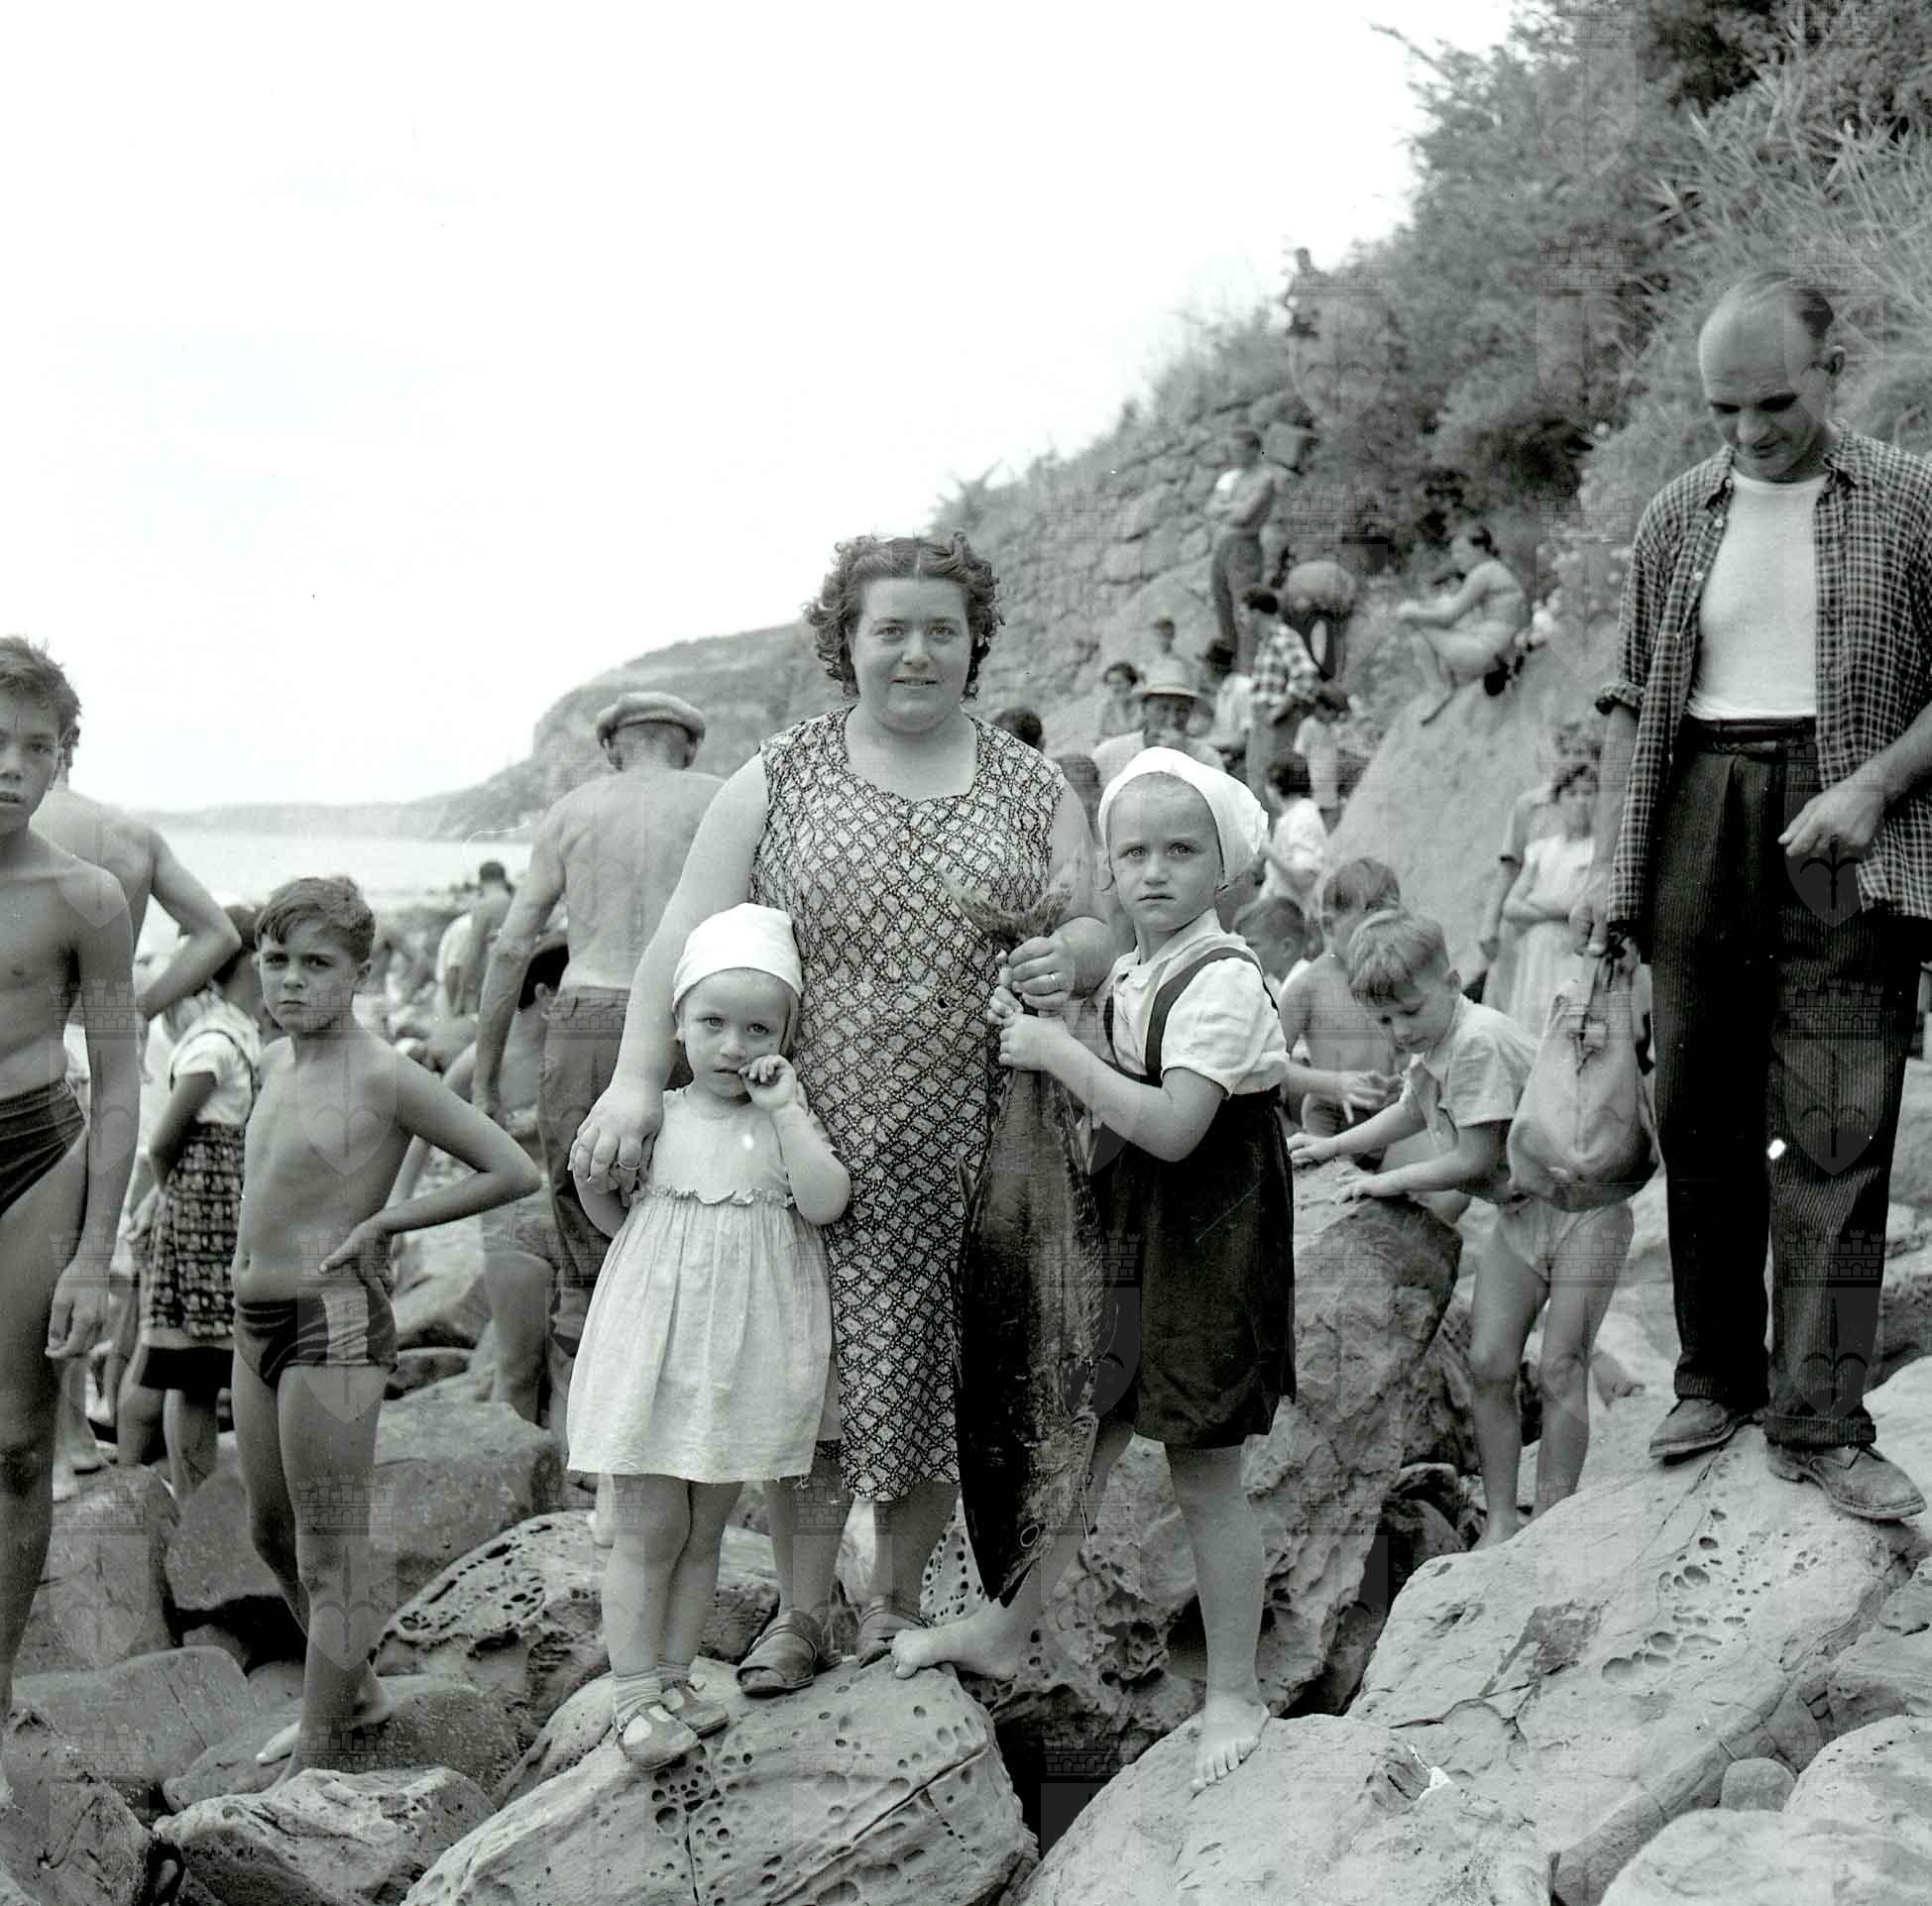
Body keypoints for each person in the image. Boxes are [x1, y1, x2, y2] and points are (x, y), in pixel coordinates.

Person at [571, 532, 1111, 1695]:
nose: (915, 652)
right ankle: (800, 1612)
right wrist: (632, 1079)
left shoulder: (1032, 785)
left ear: (974, 643)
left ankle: (894, 1603)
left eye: (940, 631)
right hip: (800, 1133)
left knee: (938, 1372)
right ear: (846, 641)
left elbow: (1092, 924)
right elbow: (684, 935)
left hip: (982, 1138)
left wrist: (1069, 957)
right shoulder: (781, 773)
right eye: (889, 629)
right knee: (803, 1375)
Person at [1575, 272, 1932, 1522]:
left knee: (1834, 1120)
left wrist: (1875, 787)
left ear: (1832, 369)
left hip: (1839, 820)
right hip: (1698, 809)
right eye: (1722, 409)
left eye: (1773, 402)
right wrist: (1605, 866)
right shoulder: (1676, 512)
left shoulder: (1908, 499)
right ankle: (1713, 1378)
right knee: (1701, 1109)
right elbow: (1630, 695)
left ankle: (1821, 1419)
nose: (1748, 431)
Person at [893, 748, 1293, 1794]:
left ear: (1225, 866)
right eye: (1133, 853)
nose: (1154, 871)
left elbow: (1172, 1128)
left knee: (1204, 1475)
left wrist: (1056, 1054)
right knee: (1075, 1452)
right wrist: (1050, 1018)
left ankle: (1234, 1691)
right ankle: (1002, 1630)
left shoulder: (1224, 978)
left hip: (1210, 1256)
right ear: (1106, 869)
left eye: (1181, 851)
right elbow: (1106, 1108)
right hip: (1125, 1244)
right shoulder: (1129, 971)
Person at [236, 876, 538, 1780]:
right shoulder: (273, 1060)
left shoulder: (383, 1072)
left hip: (332, 1318)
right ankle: (355, 1686)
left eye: (317, 963)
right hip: (253, 1318)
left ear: (360, 973)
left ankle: (320, 1754)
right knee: (268, 1531)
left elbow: (511, 1167)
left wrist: (390, 1221)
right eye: (276, 960)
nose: (292, 980)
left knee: (329, 1546)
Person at [567, 906, 847, 1769]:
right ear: (678, 1023)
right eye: (712, 1022)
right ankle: (631, 1696)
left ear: (787, 1036)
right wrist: (627, 1226)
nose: (732, 1045)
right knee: (648, 1526)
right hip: (656, 1356)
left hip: (735, 1367)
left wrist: (788, 1109)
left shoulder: (784, 1119)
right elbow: (603, 1203)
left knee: (703, 1530)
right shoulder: (655, 1116)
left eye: (758, 1028)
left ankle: (675, 1675)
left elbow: (826, 1201)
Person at [1288, 910, 1633, 1542]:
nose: (1400, 1031)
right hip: (1522, 1215)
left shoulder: (1476, 1041)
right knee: (1490, 1362)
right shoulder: (1436, 1046)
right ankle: (1501, 1520)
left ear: (1451, 982)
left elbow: (1474, 1158)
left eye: (1410, 1012)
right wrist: (1333, 1148)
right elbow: (1409, 1113)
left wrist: (1388, 1180)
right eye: (1384, 1021)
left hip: (1584, 1213)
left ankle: (1549, 1518)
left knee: (1561, 1364)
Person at [470, 691, 722, 1482]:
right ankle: (678, 1448)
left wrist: (484, 1074)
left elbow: (512, 949)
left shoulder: (572, 811)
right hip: (689, 1015)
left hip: (585, 1017)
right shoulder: (717, 799)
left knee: (584, 1226)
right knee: (690, 1214)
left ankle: (591, 1458)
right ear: (686, 746)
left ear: (613, 747)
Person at [31, 701, 242, 1491]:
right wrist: (141, 1007)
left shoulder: (17, 828)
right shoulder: (129, 834)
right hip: (110, 1052)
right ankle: (76, 1440)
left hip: (31, 1055)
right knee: (85, 1250)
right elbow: (219, 933)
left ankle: (53, 1446)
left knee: (26, 1254)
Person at [0, 640, 138, 1811]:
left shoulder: (86, 897)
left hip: (34, 1156)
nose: (9, 765)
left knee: (14, 1445)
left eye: (34, 747)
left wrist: (96, 1255)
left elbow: (125, 1082)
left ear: (63, 760)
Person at [392, 936, 571, 1423]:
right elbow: (420, 1128)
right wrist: (399, 1206)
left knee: (571, 1364)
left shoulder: (585, 1056)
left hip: (576, 1219)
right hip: (513, 1224)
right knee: (518, 1366)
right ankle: (510, 1459)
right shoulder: (487, 1060)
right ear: (545, 995)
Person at [124, 905, 263, 1500]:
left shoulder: (237, 1029)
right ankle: (185, 1495)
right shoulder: (215, 1040)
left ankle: (190, 1494)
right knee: (188, 1368)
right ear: (250, 962)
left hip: (220, 1211)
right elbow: (166, 1141)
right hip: (200, 1216)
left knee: (201, 1367)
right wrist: (172, 1197)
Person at [1276, 858, 1403, 1146]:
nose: (1378, 942)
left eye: (1388, 928)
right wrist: (1334, 1084)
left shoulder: (1394, 975)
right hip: (1331, 1115)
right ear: (1329, 925)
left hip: (1391, 1112)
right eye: (1366, 931)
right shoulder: (1308, 986)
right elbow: (1270, 1064)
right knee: (1324, 1165)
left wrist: (1403, 1075)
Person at [1476, 719, 1597, 1009]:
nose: (1573, 759)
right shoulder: (1529, 805)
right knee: (1520, 998)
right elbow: (1510, 865)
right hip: (1526, 924)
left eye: (1581, 752)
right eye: (1566, 752)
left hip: (1572, 926)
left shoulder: (1595, 801)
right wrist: (1490, 922)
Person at [1498, 759, 1597, 1034]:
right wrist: (1557, 908)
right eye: (1572, 794)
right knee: (1534, 1023)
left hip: (1573, 951)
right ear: (1558, 799)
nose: (1580, 802)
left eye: (1588, 793)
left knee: (1570, 1023)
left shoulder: (1596, 850)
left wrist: (1535, 902)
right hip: (1538, 953)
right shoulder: (1541, 850)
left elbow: (1577, 904)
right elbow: (1511, 907)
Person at [1393, 522, 1528, 722]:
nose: (1456, 558)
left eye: (1461, 551)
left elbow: (1448, 617)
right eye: (1454, 552)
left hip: (1489, 653)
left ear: (1480, 548)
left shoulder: (1484, 572)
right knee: (1429, 617)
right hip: (1499, 651)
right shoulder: (1493, 570)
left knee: (1417, 624)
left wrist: (1410, 612)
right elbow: (1453, 607)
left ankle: (1439, 690)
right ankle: (1444, 685)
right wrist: (1424, 607)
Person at [1205, 428, 1283, 671]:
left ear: (1254, 450)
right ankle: (1234, 667)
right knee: (1224, 610)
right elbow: (1210, 509)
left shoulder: (1264, 479)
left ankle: (1250, 670)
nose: (1233, 455)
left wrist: (1226, 508)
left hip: (1244, 548)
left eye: (1238, 450)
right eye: (1231, 450)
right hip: (1222, 547)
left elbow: (1244, 516)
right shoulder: (1231, 478)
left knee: (1246, 612)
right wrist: (1233, 506)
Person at [1245, 587, 1326, 810]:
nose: (1242, 619)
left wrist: (1279, 710)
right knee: (1258, 781)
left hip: (1278, 723)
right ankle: (1268, 830)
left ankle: (1284, 828)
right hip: (1262, 720)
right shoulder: (1265, 643)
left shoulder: (1283, 637)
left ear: (1256, 613)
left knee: (1278, 780)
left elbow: (1306, 674)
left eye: (1244, 613)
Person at [1089, 658, 1225, 790]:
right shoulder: (1108, 754)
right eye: (1163, 709)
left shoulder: (1207, 759)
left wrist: (1178, 759)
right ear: (1144, 709)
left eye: (1182, 710)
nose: (1172, 720)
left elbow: (1218, 801)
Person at [1251, 756, 1328, 922]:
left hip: (1293, 915)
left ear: (1274, 787)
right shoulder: (1293, 816)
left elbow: (1306, 877)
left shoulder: (1303, 818)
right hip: (1282, 911)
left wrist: (1268, 850)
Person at [1195, 641, 1253, 775]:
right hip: (1231, 760)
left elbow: (1246, 740)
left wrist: (1203, 743)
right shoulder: (1223, 691)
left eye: (1205, 665)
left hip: (1244, 766)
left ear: (1212, 667)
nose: (1202, 670)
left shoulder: (1242, 689)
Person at [1295, 700, 1345, 831]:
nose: (1334, 717)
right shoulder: (1308, 726)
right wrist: (1304, 784)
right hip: (1313, 788)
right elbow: (1299, 754)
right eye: (1332, 713)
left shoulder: (1334, 729)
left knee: (1330, 828)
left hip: (1331, 788)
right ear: (1321, 708)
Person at [1097, 661, 1142, 741]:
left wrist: (1120, 707)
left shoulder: (1143, 705)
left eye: (1119, 682)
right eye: (1110, 683)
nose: (1115, 688)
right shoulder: (1107, 709)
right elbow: (1102, 738)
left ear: (1130, 682)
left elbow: (1129, 735)